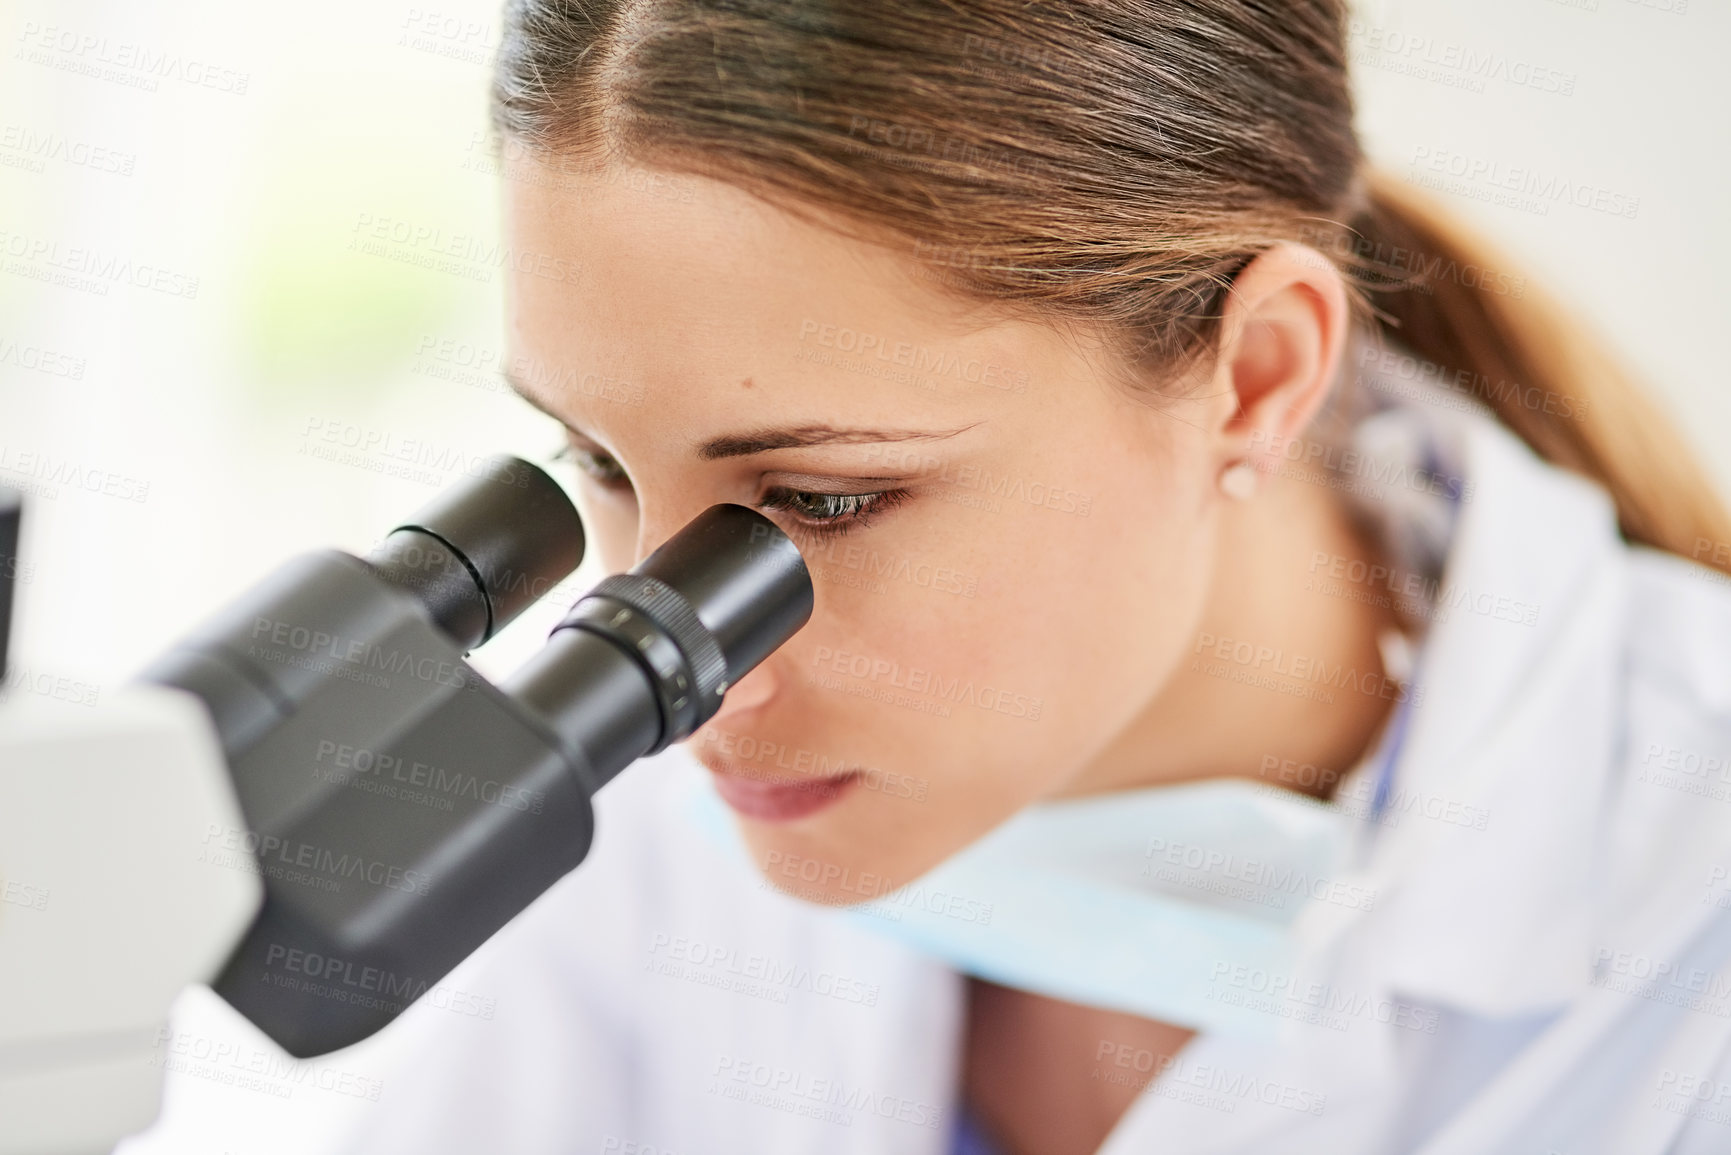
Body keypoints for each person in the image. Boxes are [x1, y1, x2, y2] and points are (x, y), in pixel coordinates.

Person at [336, 2, 1731, 1152]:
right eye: (598, 461)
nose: (689, 687)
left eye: (824, 498)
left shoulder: (1692, 924)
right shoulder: (637, 837)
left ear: (1254, 377)